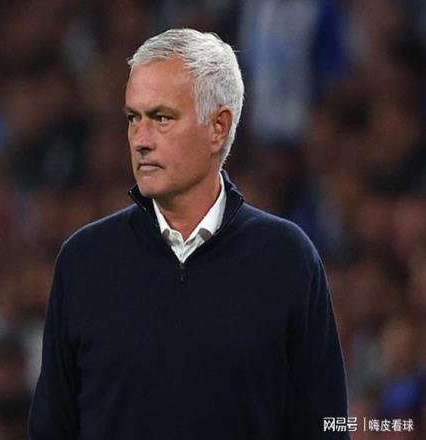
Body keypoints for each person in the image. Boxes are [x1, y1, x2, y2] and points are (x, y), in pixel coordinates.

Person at [28, 28, 349, 439]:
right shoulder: (85, 261)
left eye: (161, 118)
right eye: (133, 118)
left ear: (218, 127)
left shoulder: (287, 259)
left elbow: (325, 426)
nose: (140, 140)